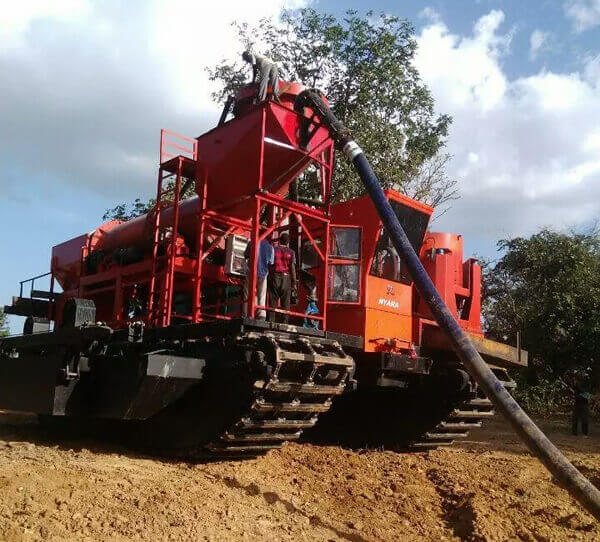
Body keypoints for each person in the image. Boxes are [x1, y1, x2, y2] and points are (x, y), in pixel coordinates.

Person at [242, 237, 274, 320]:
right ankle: (261, 315)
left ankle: (246, 314)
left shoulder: (252, 242)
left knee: (248, 294)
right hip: (263, 274)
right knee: (261, 295)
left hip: (251, 272)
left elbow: (246, 255)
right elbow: (271, 262)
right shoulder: (270, 247)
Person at [268, 232, 297, 323]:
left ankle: (271, 320)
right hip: (286, 277)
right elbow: (292, 268)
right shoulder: (291, 252)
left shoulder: (274, 249)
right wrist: (294, 282)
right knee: (286, 302)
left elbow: (270, 263)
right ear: (288, 242)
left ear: (280, 241)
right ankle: (284, 322)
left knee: (273, 300)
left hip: (275, 276)